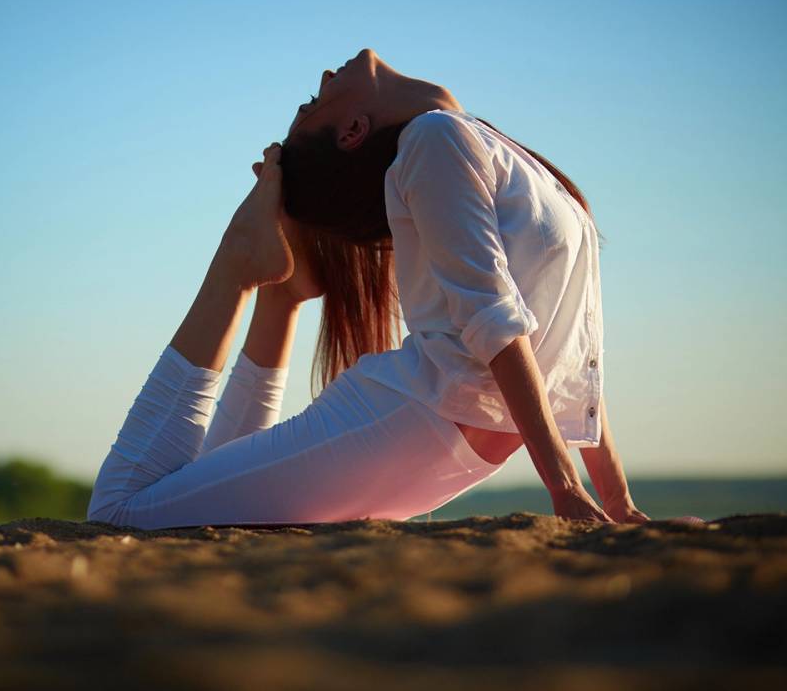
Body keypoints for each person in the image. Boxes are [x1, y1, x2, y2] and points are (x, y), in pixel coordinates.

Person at [87, 48, 649, 530]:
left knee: (179, 502)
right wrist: (565, 487)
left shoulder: (484, 148)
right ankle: (241, 264)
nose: (328, 76)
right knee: (121, 511)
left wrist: (618, 503)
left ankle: (280, 293)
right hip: (414, 420)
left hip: (434, 435)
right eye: (314, 101)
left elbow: (574, 357)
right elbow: (492, 320)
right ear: (354, 131)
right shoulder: (435, 138)